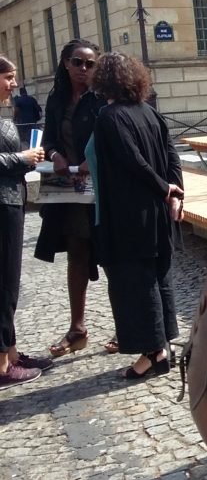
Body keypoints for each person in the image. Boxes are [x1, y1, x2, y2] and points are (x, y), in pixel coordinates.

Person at [89, 52, 184, 379]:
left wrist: (166, 190)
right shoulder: (150, 113)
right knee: (160, 278)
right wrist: (174, 191)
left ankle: (154, 352)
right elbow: (172, 157)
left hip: (131, 215)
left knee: (135, 284)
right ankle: (164, 346)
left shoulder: (109, 117)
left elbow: (133, 162)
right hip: (156, 213)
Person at [36, 39, 105, 357]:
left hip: (103, 188)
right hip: (69, 189)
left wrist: (95, 158)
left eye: (90, 64)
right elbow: (48, 136)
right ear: (65, 62)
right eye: (78, 62)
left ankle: (128, 327)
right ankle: (77, 329)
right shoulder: (57, 98)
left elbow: (113, 134)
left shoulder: (101, 96)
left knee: (112, 254)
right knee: (76, 252)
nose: (84, 69)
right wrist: (54, 153)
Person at [0, 56, 52, 389]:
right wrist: (22, 158)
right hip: (1, 205)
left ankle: (11, 353)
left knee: (10, 284)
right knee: (3, 285)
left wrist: (29, 160)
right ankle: (2, 365)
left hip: (11, 201)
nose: (13, 84)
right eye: (8, 78)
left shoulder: (5, 114)